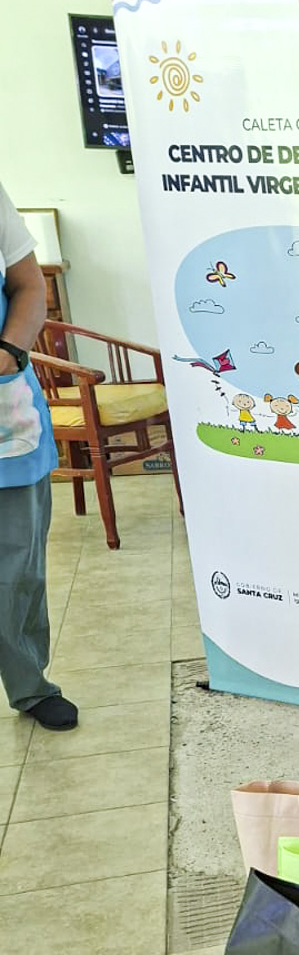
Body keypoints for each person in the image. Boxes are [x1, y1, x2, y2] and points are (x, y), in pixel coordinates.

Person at [0, 181, 77, 731]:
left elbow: (29, 286)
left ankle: (30, 685)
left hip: (5, 421)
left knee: (16, 569)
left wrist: (9, 352)